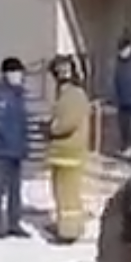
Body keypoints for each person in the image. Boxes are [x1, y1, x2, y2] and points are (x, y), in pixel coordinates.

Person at [45, 55, 93, 243]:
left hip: (69, 152)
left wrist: (50, 128)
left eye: (64, 70)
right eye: (58, 71)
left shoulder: (74, 94)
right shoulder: (65, 93)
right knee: (61, 192)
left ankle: (68, 232)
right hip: (63, 152)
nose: (61, 74)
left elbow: (68, 122)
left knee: (67, 195)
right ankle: (66, 225)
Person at [0, 57, 32, 238]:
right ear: (8, 74)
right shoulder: (1, 95)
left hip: (16, 150)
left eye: (20, 73)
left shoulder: (18, 94)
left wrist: (23, 145)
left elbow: (21, 123)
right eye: (16, 73)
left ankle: (13, 222)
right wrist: (12, 143)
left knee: (15, 189)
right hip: (4, 150)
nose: (20, 76)